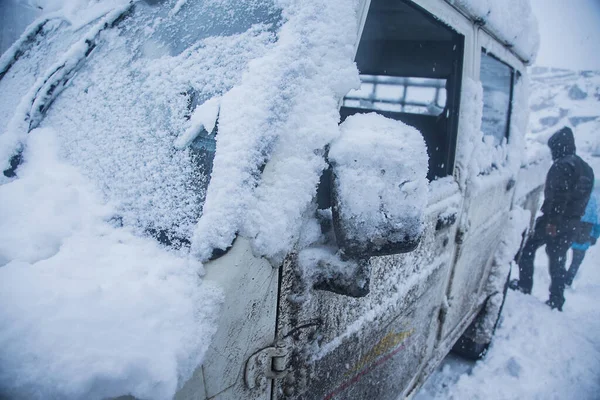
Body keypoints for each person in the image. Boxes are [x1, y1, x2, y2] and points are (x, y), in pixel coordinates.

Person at [510, 126, 594, 311]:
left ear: (559, 146)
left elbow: (560, 195)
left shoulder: (563, 164)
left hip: (553, 221)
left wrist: (552, 222)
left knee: (528, 250)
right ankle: (556, 300)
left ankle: (524, 285)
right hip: (573, 223)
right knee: (558, 261)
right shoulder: (586, 169)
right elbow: (580, 198)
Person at [565, 181, 600, 286]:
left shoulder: (578, 193)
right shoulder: (597, 201)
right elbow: (598, 222)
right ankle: (568, 279)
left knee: (561, 252)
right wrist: (595, 236)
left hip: (572, 225)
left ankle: (559, 275)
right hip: (586, 231)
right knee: (577, 259)